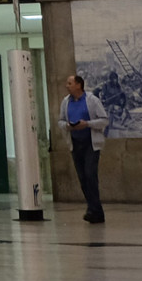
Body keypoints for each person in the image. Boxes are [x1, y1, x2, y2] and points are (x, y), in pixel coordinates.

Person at [58, 73, 109, 223]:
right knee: (82, 178)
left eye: (69, 83)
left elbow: (104, 120)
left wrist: (87, 124)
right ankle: (94, 209)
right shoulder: (65, 102)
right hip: (75, 143)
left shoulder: (92, 100)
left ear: (78, 85)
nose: (67, 86)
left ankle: (94, 209)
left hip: (90, 144)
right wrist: (67, 126)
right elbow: (60, 121)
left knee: (90, 175)